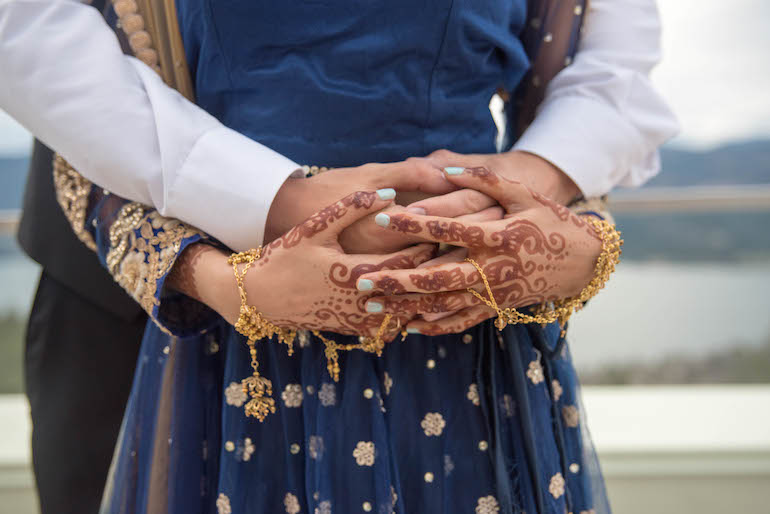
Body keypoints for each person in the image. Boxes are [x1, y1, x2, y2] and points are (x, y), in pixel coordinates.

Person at [0, 0, 677, 513]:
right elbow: (38, 42)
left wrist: (535, 184)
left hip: (469, 324)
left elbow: (606, 63)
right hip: (227, 312)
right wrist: (275, 208)